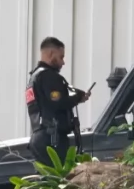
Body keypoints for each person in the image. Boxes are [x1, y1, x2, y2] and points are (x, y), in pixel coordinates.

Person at [25, 36, 91, 167]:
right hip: (52, 138)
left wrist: (77, 95)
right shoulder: (48, 76)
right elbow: (58, 101)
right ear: (51, 54)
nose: (63, 62)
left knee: (46, 178)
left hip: (40, 136)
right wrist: (78, 98)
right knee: (58, 178)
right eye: (61, 57)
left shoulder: (35, 77)